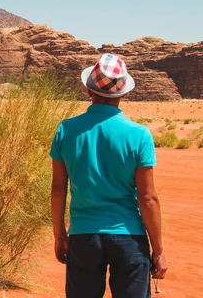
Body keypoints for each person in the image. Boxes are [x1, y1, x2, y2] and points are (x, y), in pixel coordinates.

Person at [49, 53, 168, 298]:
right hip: (129, 238)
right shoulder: (139, 134)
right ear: (123, 93)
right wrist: (158, 250)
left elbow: (58, 189)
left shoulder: (66, 129)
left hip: (83, 236)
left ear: (88, 91)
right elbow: (147, 198)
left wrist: (59, 234)